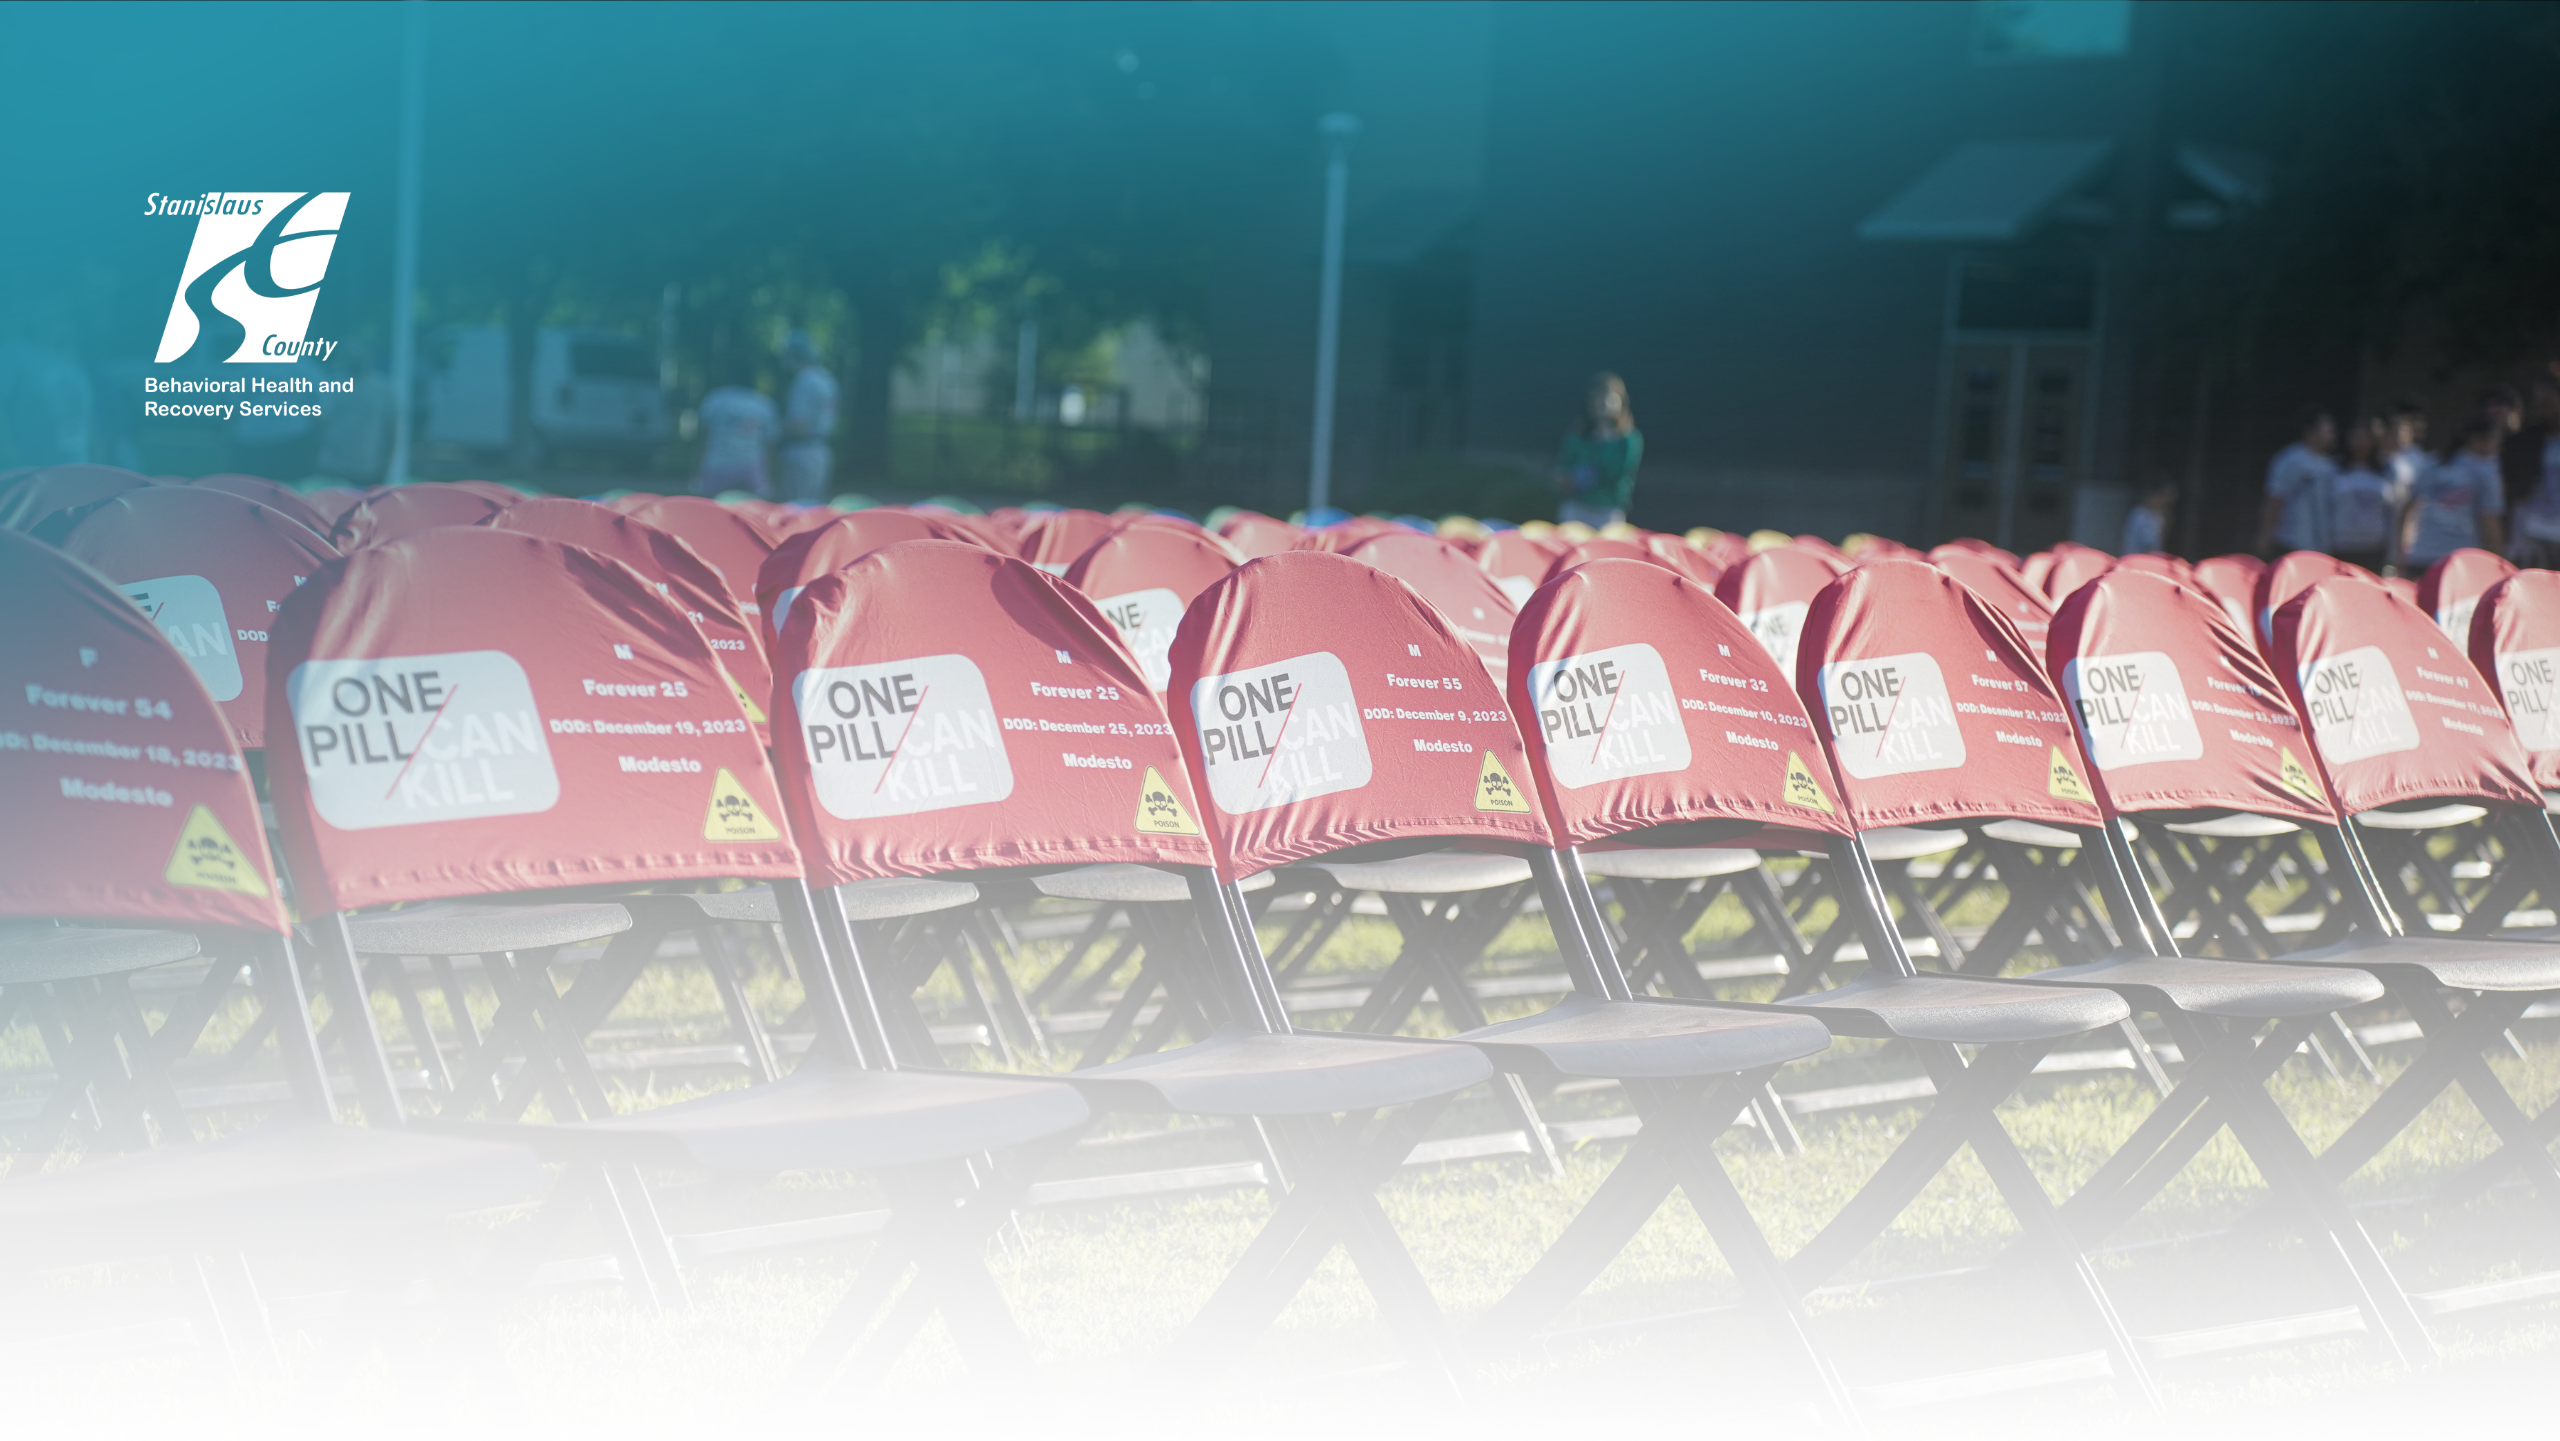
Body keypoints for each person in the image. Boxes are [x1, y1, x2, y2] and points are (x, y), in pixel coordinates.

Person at [2401, 416, 2506, 570]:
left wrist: (2402, 551)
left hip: (2421, 555)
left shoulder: (2431, 464)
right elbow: (2489, 521)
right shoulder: (2485, 471)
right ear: (2478, 440)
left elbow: (2409, 510)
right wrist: (2498, 564)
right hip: (2461, 563)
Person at [1554, 372, 1642, 530]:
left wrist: (1592, 473)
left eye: (1610, 399)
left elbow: (1620, 473)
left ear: (1621, 401)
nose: (1604, 404)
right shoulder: (1578, 435)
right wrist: (1567, 479)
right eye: (1599, 398)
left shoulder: (1629, 439)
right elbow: (1564, 466)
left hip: (1607, 510)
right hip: (1577, 507)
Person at [2255, 405, 2337, 556]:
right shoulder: (2290, 459)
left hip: (2321, 547)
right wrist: (2265, 536)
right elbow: (2275, 499)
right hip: (2290, 542)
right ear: (2311, 430)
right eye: (2327, 430)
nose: (2332, 435)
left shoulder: (2330, 466)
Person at [693, 363, 777, 497]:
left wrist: (696, 468)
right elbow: (769, 444)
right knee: (755, 512)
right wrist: (769, 474)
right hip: (752, 465)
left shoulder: (714, 399)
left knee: (709, 508)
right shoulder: (765, 404)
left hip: (716, 464)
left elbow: (703, 437)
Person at [2503, 372, 2560, 567]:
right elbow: (2511, 493)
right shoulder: (2522, 442)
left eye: (2548, 401)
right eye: (2538, 402)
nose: (2542, 407)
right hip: (2533, 533)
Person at [2326, 416, 2396, 572]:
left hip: (2374, 548)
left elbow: (2393, 512)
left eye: (2365, 437)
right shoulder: (2333, 469)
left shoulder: (2387, 470)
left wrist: (2393, 554)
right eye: (2356, 437)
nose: (2361, 442)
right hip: (2341, 546)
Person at [776, 331, 838, 504]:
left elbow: (798, 426)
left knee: (795, 510)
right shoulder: (826, 379)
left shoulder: (803, 382)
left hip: (800, 452)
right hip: (821, 451)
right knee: (815, 509)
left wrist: (771, 429)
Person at [2119, 481, 2175, 556]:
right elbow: (2147, 545)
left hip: (2152, 560)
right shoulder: (2140, 515)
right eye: (2163, 498)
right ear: (2153, 495)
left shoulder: (2158, 516)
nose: (2165, 503)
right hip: (2138, 561)